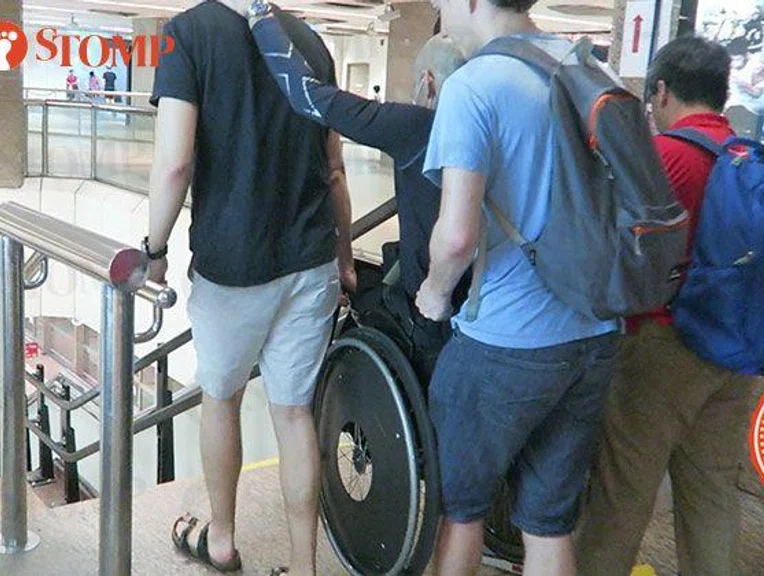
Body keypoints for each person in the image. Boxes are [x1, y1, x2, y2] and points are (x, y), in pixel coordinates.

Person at [147, 1, 354, 574]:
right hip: (310, 259)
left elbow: (173, 164)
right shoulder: (310, 42)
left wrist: (154, 251)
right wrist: (343, 256)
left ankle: (222, 540)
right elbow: (333, 165)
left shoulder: (185, 35)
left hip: (232, 266)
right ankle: (304, 566)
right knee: (294, 416)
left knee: (222, 399)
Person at [419, 0, 620, 573]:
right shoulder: (591, 68)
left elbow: (457, 237)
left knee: (459, 509)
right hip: (594, 332)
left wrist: (434, 294)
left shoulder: (475, 84)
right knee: (548, 523)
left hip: (505, 342)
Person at [576, 37, 756, 576]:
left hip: (663, 346)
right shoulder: (745, 155)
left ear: (660, 91)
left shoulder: (667, 157)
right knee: (712, 494)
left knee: (621, 494)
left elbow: (618, 246)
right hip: (732, 349)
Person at [237, 2, 469, 379]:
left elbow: (308, 96)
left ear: (428, 81)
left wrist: (261, 16)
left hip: (432, 309)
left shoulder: (417, 126)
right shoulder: (498, 123)